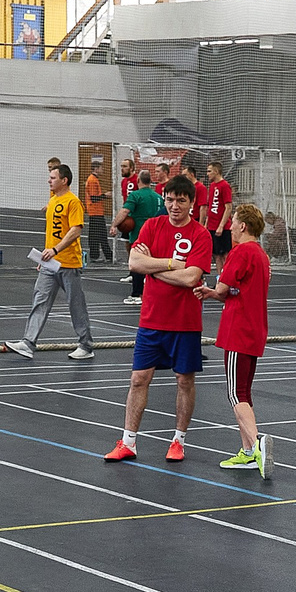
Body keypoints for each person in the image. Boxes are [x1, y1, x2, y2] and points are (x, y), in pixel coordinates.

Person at [108, 175, 214, 464]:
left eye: (181, 200)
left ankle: (178, 441)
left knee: (184, 380)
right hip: (151, 320)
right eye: (169, 199)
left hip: (185, 323)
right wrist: (170, 264)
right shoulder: (153, 226)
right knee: (138, 379)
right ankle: (128, 441)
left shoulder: (200, 235)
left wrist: (153, 269)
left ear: (192, 202)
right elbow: (134, 263)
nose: (174, 205)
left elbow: (192, 277)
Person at [204, 204, 274, 477]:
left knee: (235, 393)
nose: (230, 226)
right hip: (254, 329)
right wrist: (215, 293)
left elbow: (223, 288)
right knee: (244, 392)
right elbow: (236, 289)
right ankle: (246, 452)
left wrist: (213, 291)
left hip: (238, 329)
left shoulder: (241, 251)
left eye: (233, 221)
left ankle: (257, 445)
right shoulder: (261, 255)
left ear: (243, 226)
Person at [4, 161, 95, 362]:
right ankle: (28, 343)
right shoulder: (53, 200)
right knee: (40, 300)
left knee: (75, 305)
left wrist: (55, 250)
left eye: (53, 178)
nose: (49, 180)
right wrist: (44, 256)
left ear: (64, 180)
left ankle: (86, 345)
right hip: (50, 264)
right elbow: (52, 233)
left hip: (69, 263)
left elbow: (75, 230)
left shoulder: (73, 202)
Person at [120, 172, 163, 303]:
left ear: (138, 180)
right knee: (153, 263)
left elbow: (124, 211)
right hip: (156, 233)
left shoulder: (135, 195)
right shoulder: (158, 197)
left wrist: (114, 224)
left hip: (139, 232)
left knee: (139, 263)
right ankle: (150, 292)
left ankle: (137, 294)